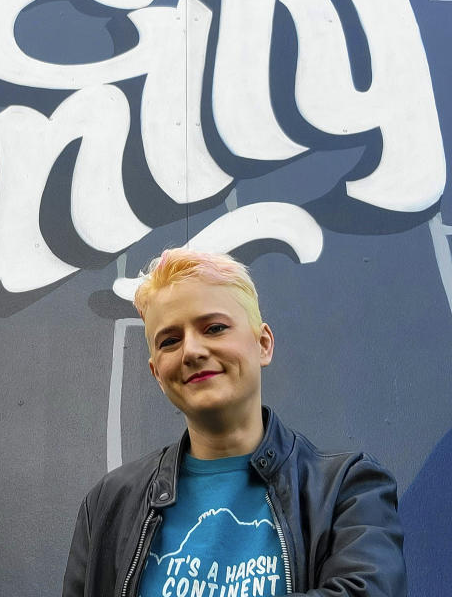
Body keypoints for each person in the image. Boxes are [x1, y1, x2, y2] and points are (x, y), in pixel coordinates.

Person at [62, 248, 406, 597]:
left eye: (214, 328)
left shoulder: (346, 488)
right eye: (170, 341)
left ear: (263, 344)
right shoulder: (108, 505)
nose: (192, 351)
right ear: (156, 373)